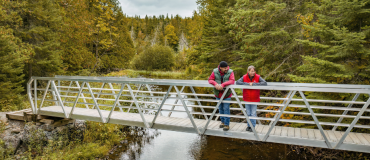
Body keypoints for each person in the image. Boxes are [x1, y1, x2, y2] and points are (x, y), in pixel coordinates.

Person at [236, 65, 267, 132]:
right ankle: (249, 126)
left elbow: (264, 83)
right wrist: (247, 84)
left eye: (254, 71)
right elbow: (237, 82)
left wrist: (253, 84)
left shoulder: (258, 77)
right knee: (248, 113)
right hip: (247, 98)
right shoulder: (244, 77)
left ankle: (252, 126)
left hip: (254, 98)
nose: (253, 72)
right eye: (252, 71)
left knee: (253, 113)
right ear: (248, 71)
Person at [208, 61, 235, 131]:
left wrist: (223, 85)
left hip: (227, 94)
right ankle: (222, 122)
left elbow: (232, 81)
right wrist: (215, 84)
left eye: (227, 67)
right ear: (220, 68)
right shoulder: (215, 71)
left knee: (226, 109)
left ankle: (227, 124)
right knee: (220, 108)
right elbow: (210, 79)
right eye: (225, 68)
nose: (226, 69)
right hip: (218, 94)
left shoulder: (230, 71)